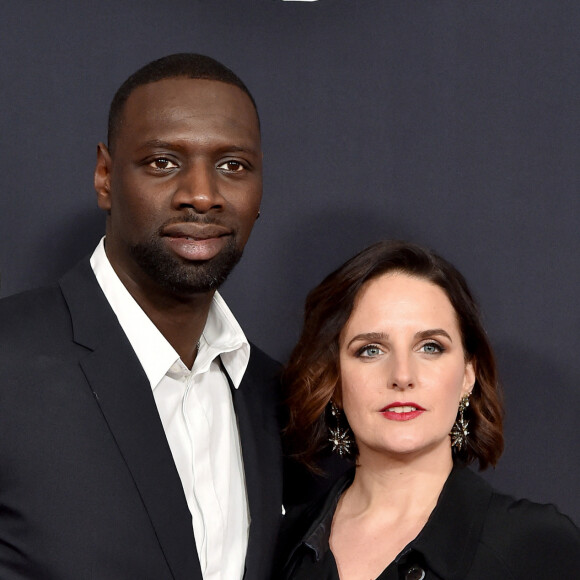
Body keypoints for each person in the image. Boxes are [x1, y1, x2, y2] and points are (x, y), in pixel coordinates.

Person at [0, 54, 282, 580]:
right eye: (163, 162)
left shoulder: (279, 399)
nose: (201, 194)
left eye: (232, 166)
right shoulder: (9, 361)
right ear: (105, 176)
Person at [277, 240, 580, 579]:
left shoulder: (535, 546)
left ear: (468, 375)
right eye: (371, 350)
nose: (402, 376)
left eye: (430, 347)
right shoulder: (280, 545)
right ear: (332, 381)